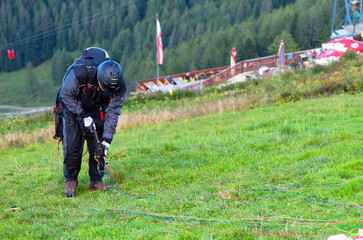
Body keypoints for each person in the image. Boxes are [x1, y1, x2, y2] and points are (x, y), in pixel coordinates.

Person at [59, 47, 126, 197]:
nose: (106, 91)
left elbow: (113, 113)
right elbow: (66, 94)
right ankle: (70, 180)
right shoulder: (79, 72)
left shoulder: (119, 87)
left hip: (97, 108)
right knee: (73, 146)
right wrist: (82, 114)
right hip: (73, 107)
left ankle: (96, 180)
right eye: (104, 88)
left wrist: (107, 141)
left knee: (98, 146)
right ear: (99, 79)